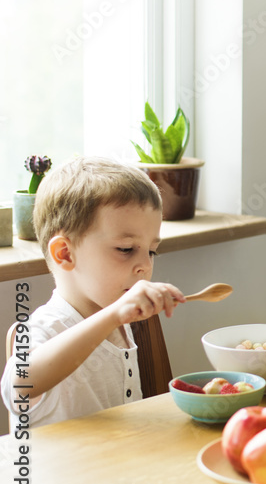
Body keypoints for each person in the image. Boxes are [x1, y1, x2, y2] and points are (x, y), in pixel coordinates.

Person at [1, 157, 185, 426]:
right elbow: (18, 386)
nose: (145, 265)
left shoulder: (123, 324)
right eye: (125, 249)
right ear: (65, 253)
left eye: (152, 250)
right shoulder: (46, 327)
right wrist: (112, 316)